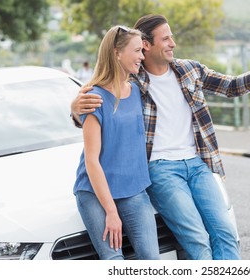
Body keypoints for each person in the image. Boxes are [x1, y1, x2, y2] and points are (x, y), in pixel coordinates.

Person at [71, 14, 250, 260]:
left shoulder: (189, 70)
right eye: (166, 38)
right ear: (147, 45)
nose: (173, 43)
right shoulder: (133, 80)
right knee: (197, 238)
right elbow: (101, 104)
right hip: (161, 168)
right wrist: (76, 108)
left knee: (225, 231)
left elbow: (232, 86)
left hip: (196, 164)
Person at [73, 25, 160, 260]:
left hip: (133, 188)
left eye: (143, 51)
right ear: (116, 53)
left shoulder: (139, 90)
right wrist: (111, 211)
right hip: (95, 191)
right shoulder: (94, 98)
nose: (142, 57)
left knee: (152, 260)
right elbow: (91, 161)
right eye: (137, 51)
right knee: (114, 260)